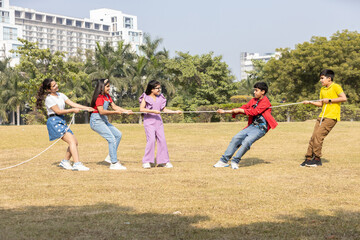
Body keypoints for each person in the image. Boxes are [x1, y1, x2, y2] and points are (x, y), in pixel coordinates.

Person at [214, 82, 278, 169]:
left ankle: (235, 161)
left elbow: (254, 112)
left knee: (247, 142)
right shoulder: (253, 100)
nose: (254, 92)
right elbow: (244, 108)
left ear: (263, 92)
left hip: (260, 129)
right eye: (254, 90)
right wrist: (225, 111)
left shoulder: (265, 102)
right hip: (252, 126)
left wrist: (241, 110)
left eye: (256, 90)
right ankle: (223, 161)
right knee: (236, 138)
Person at [36, 78, 94, 171]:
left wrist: (86, 108)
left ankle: (65, 161)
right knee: (72, 141)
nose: (56, 86)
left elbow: (73, 104)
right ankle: (77, 164)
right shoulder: (49, 99)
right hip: (54, 122)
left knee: (75, 142)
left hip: (61, 120)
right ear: (48, 90)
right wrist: (72, 110)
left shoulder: (61, 95)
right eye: (54, 86)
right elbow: (58, 111)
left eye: (56, 84)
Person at [301, 69, 347, 167]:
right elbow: (321, 104)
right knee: (313, 137)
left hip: (331, 117)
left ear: (329, 78)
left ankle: (317, 159)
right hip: (322, 116)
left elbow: (344, 98)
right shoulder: (322, 89)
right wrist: (309, 102)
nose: (321, 81)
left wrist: (330, 100)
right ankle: (308, 159)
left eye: (322, 78)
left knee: (318, 136)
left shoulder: (336, 87)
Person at [90, 79, 133, 170]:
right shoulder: (99, 97)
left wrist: (125, 111)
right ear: (102, 87)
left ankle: (110, 157)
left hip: (104, 120)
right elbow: (101, 111)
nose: (109, 88)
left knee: (118, 135)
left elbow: (115, 107)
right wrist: (116, 113)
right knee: (111, 138)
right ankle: (114, 163)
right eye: (107, 86)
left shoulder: (107, 96)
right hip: (97, 121)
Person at [139, 80, 182, 169]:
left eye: (160, 88)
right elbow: (142, 109)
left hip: (158, 122)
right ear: (151, 89)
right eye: (157, 88)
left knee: (162, 140)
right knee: (151, 141)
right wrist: (153, 111)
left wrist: (175, 112)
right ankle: (147, 161)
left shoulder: (161, 97)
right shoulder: (145, 97)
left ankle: (163, 161)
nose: (159, 90)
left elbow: (164, 109)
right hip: (149, 122)